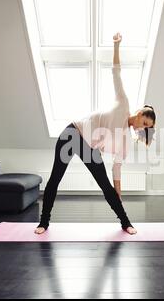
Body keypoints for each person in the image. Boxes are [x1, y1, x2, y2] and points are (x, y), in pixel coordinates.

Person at [35, 33, 156, 235]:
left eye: (146, 129)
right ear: (140, 113)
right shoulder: (123, 102)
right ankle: (43, 222)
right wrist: (116, 46)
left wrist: (118, 191)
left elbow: (117, 167)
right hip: (72, 134)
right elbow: (116, 72)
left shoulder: (127, 140)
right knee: (55, 178)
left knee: (106, 186)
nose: (142, 128)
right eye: (144, 123)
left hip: (90, 148)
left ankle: (126, 222)